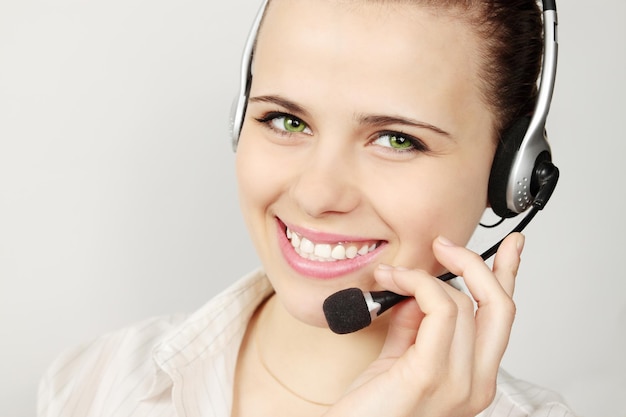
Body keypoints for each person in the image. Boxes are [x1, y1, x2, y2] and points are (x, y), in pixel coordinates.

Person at [38, 0, 576, 416]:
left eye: (395, 139)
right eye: (286, 121)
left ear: (511, 174)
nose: (318, 195)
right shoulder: (95, 383)